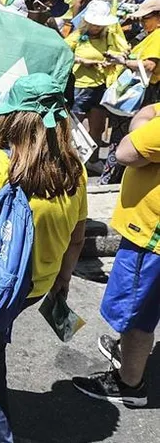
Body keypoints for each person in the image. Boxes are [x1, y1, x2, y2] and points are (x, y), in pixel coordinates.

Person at [0, 73, 87, 443]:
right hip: (36, 286)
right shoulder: (76, 171)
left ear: (13, 118)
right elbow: (76, 239)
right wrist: (62, 281)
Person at [71, 104, 159, 409]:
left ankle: (129, 383)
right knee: (143, 305)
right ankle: (128, 352)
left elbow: (124, 152)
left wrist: (145, 128)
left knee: (136, 314)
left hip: (150, 238)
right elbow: (148, 112)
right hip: (149, 234)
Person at [101, 0, 160, 184]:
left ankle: (111, 180)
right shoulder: (149, 36)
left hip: (145, 96)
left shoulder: (158, 36)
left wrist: (123, 61)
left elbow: (150, 65)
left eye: (146, 18)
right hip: (139, 95)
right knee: (122, 137)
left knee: (126, 138)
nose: (142, 22)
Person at [64, 0, 124, 175]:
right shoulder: (78, 36)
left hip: (100, 86)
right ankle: (70, 161)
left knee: (97, 127)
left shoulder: (108, 37)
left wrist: (109, 61)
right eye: (95, 24)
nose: (97, 28)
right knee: (74, 129)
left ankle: (93, 160)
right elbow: (64, 51)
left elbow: (118, 51)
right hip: (80, 87)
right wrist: (83, 61)